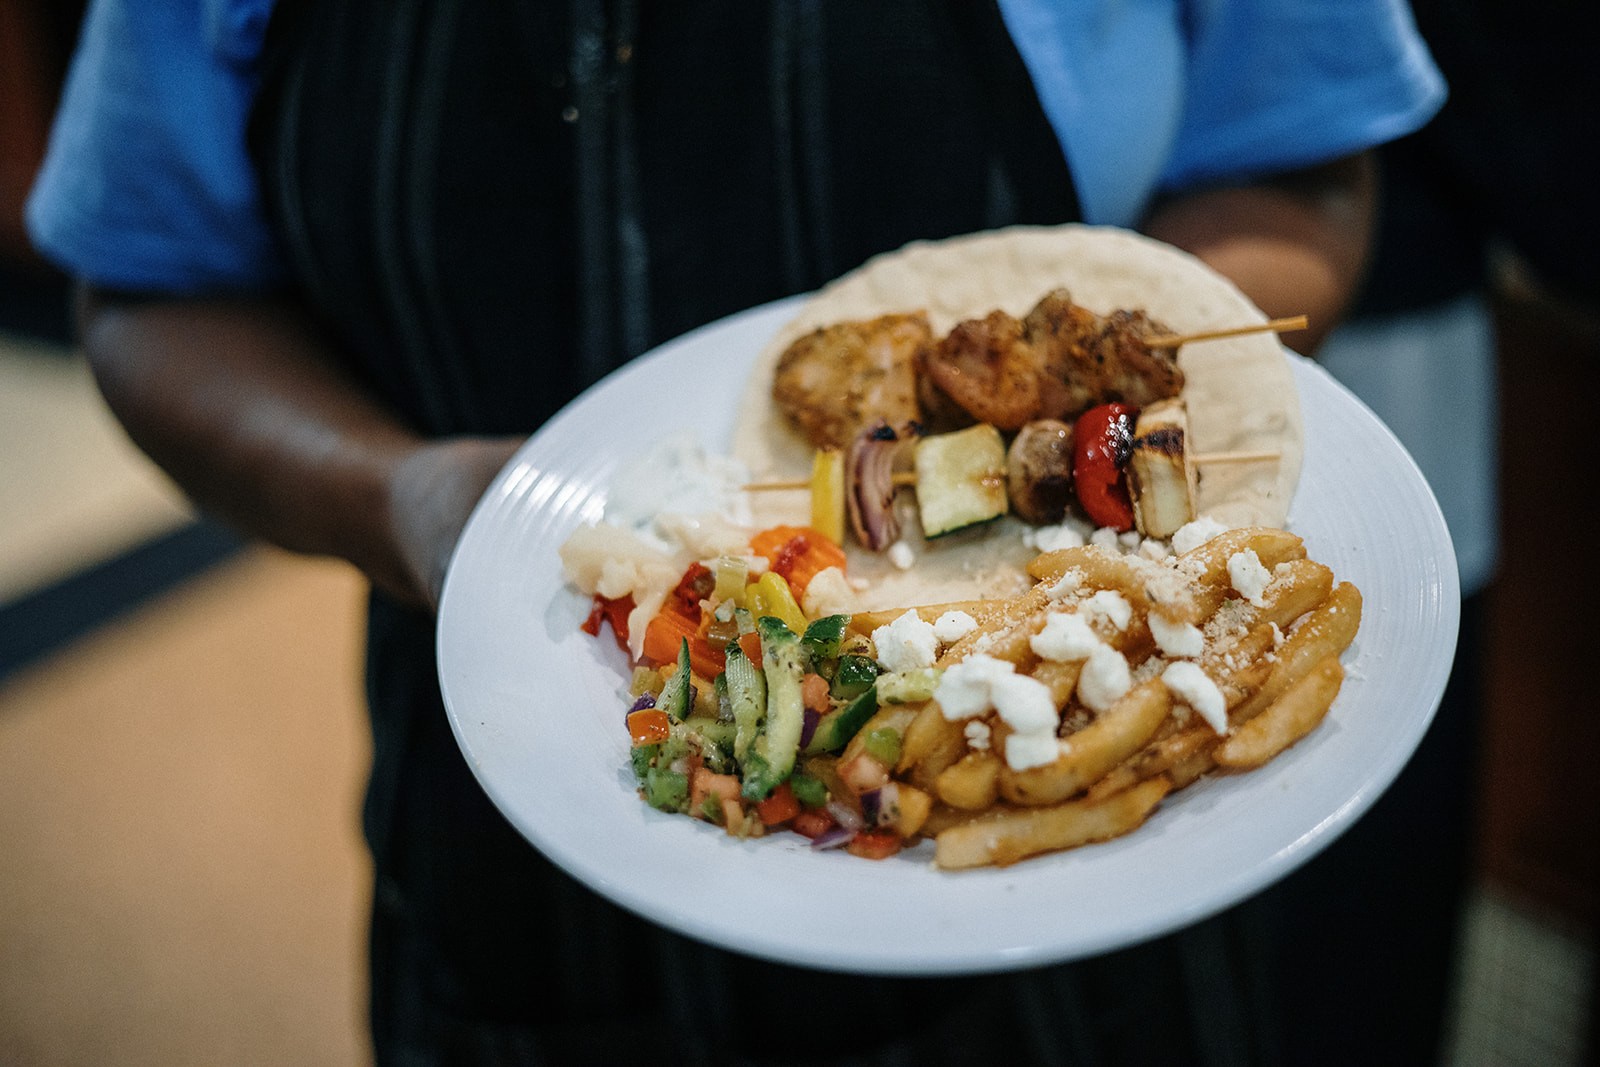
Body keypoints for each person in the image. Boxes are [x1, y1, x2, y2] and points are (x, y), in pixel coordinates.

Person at [28, 2, 1449, 1063]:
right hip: (524, 759)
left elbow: (1299, 155)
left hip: (1109, 843)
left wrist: (1127, 407)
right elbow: (152, 294)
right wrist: (391, 497)